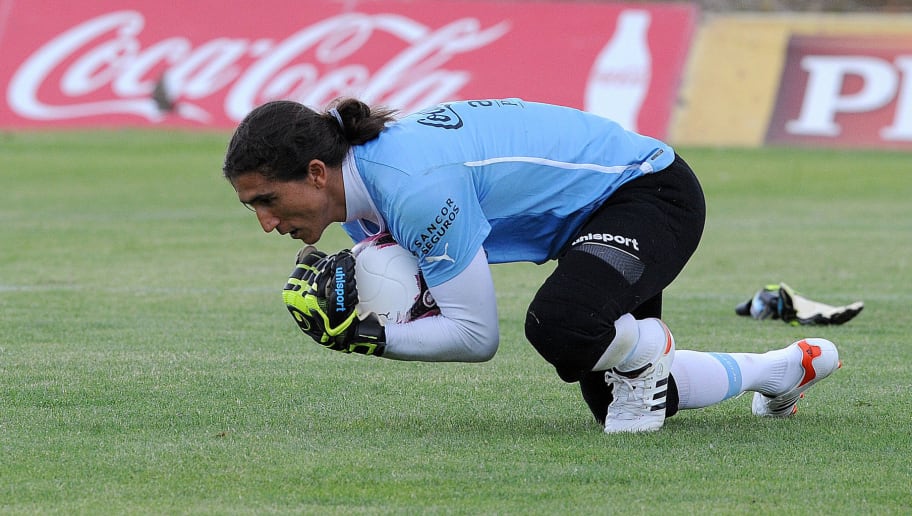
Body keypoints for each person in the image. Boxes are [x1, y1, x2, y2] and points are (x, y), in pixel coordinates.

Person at [222, 97, 841, 433]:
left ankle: (646, 344)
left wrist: (369, 338)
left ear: (315, 173)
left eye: (267, 201)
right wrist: (369, 312)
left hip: (649, 192)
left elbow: (474, 335)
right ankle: (783, 369)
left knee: (562, 325)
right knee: (626, 402)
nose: (267, 224)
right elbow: (430, 303)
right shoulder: (361, 203)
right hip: (594, 221)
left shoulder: (408, 185)